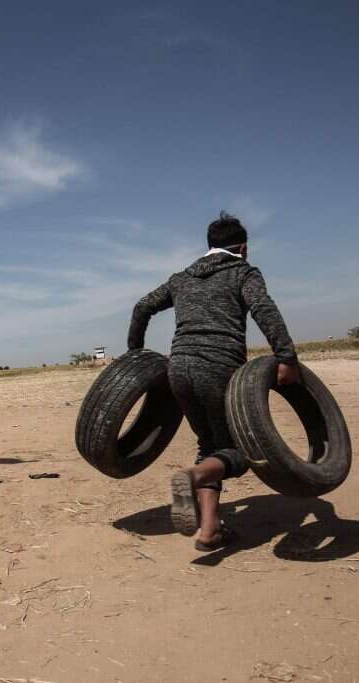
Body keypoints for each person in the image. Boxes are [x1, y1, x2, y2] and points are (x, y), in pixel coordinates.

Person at [127, 212, 301, 551]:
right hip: (220, 368)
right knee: (241, 451)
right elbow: (264, 310)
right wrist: (287, 358)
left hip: (178, 369)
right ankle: (192, 479)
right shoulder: (242, 272)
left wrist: (135, 353)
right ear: (244, 248)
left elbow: (142, 307)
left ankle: (210, 531)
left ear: (209, 246)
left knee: (210, 447)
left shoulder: (182, 278)